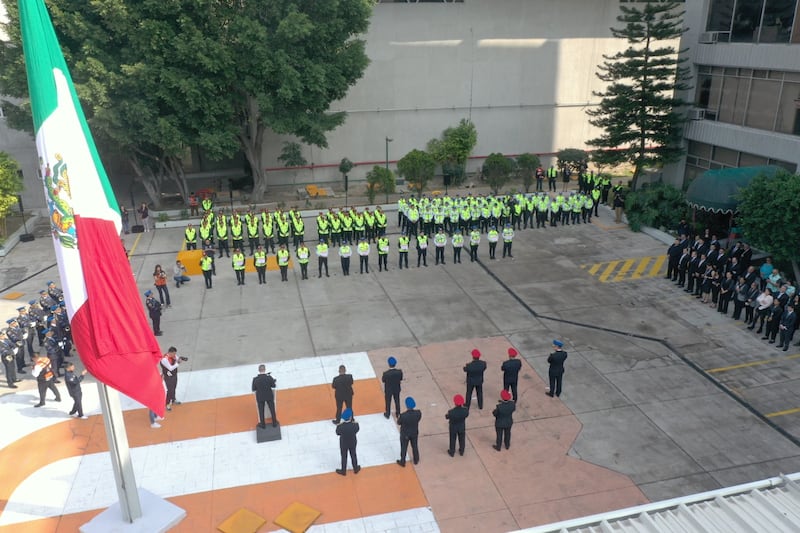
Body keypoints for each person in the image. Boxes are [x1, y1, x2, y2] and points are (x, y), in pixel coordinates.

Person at [397, 396, 422, 467]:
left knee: (404, 448)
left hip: (405, 434)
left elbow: (399, 423)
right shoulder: (418, 413)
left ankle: (402, 461)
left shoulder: (403, 416)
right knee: (414, 446)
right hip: (414, 433)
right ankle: (416, 459)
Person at [335, 408, 360, 476]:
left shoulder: (340, 426)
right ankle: (355, 469)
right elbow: (357, 429)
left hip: (343, 443)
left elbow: (337, 433)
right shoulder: (355, 425)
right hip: (352, 442)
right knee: (353, 455)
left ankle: (343, 471)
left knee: (344, 456)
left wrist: (340, 424)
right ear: (350, 417)